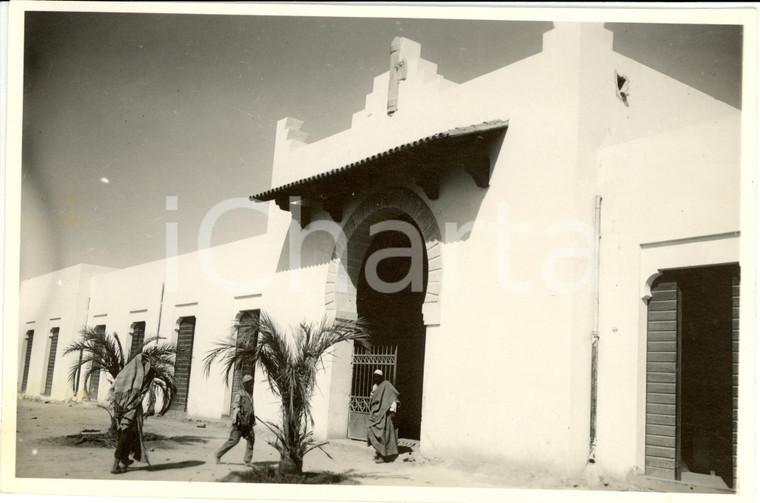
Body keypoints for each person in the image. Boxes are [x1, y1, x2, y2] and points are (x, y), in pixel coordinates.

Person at [110, 353, 154, 474]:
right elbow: (114, 391)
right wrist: (127, 406)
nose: (145, 367)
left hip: (127, 410)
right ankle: (115, 465)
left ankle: (124, 459)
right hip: (127, 410)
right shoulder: (126, 376)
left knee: (131, 434)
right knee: (124, 435)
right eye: (143, 364)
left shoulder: (138, 378)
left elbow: (115, 391)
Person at [216, 374, 256, 465]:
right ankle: (218, 454)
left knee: (251, 439)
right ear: (245, 384)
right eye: (249, 383)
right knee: (234, 440)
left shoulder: (250, 395)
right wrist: (236, 420)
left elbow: (251, 409)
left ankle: (247, 460)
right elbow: (235, 407)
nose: (251, 385)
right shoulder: (239, 394)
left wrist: (253, 421)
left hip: (248, 423)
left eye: (252, 383)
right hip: (239, 423)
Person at [367, 369, 400, 463]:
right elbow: (373, 398)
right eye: (375, 376)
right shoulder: (375, 387)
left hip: (385, 414)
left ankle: (383, 456)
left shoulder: (387, 385)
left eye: (378, 377)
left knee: (383, 434)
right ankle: (378, 451)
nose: (376, 378)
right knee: (371, 430)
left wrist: (393, 411)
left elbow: (392, 397)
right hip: (376, 414)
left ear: (381, 377)